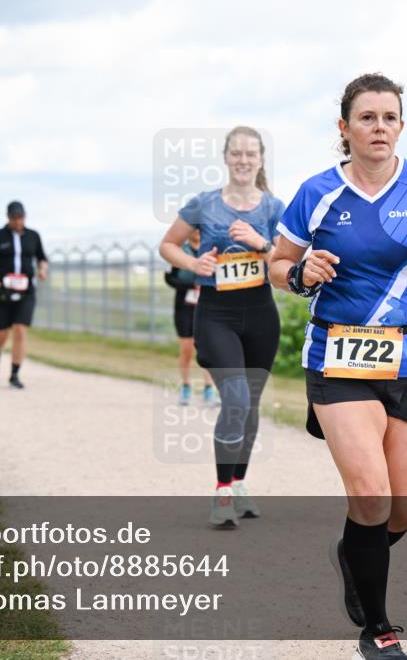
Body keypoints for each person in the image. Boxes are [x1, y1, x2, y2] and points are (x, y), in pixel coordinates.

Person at [268, 73, 407, 659]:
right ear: (345, 128)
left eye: (389, 118)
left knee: (401, 509)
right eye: (367, 117)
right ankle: (378, 629)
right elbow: (276, 263)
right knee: (371, 494)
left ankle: (353, 551)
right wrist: (302, 273)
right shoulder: (317, 192)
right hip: (341, 358)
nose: (379, 127)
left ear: (400, 127)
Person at [159, 125, 284, 528]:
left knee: (250, 407)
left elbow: (291, 260)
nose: (244, 160)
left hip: (261, 314)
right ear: (226, 158)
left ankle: (240, 483)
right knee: (236, 400)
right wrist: (194, 264)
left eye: (251, 153)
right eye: (237, 153)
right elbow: (168, 244)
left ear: (261, 158)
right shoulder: (205, 204)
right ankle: (222, 492)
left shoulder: (274, 209)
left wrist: (260, 243)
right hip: (216, 314)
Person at [0, 201, 48, 389]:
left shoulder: (33, 236)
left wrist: (42, 270)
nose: (18, 221)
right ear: (8, 217)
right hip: (2, 291)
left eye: (21, 218)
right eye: (14, 218)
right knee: (1, 333)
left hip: (26, 292)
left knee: (20, 329)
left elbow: (42, 258)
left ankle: (15, 373)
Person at [164, 228, 217, 406]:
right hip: (184, 307)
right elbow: (169, 278)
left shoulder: (212, 250)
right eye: (194, 227)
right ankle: (185, 387)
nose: (198, 231)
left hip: (206, 306)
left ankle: (209, 388)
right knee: (187, 350)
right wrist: (192, 284)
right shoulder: (179, 251)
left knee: (207, 350)